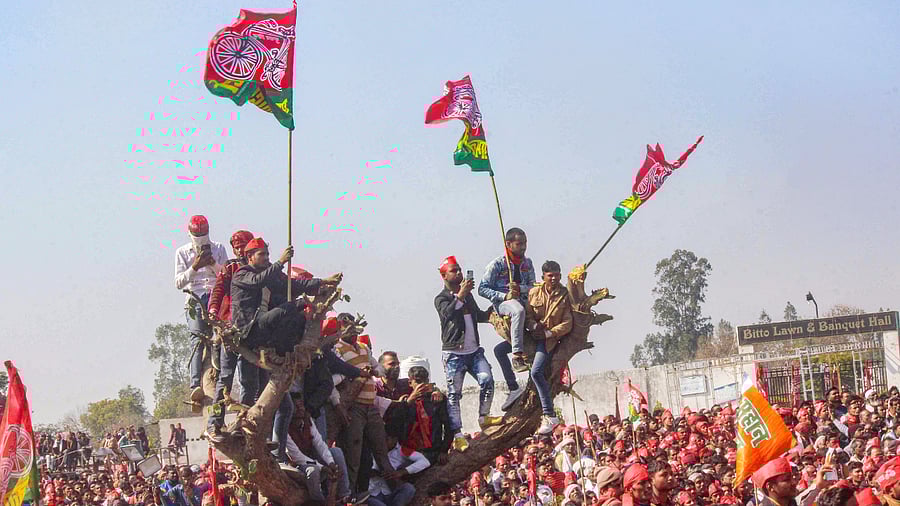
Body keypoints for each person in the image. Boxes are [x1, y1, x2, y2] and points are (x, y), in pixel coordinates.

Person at [228, 237, 341, 460]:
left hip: (264, 338)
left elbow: (294, 284)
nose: (267, 260)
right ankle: (241, 429)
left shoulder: (271, 275)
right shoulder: (243, 274)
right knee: (289, 308)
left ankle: (277, 453)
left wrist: (322, 283)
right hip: (249, 329)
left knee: (284, 406)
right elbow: (258, 280)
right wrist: (280, 261)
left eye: (268, 256)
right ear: (250, 257)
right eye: (263, 255)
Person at [434, 255, 501, 452]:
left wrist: (493, 314)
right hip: (454, 353)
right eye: (454, 270)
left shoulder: (468, 296)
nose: (459, 273)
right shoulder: (441, 298)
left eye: (460, 270)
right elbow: (448, 314)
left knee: (487, 380)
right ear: (444, 276)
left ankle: (484, 416)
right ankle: (457, 434)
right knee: (454, 395)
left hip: (473, 351)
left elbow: (477, 315)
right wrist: (460, 295)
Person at [333, 312, 396, 495]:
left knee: (380, 449)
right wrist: (357, 374)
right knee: (354, 451)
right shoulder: (338, 348)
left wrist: (374, 371)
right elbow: (340, 374)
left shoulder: (363, 347)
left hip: (371, 405)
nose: (352, 333)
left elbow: (379, 368)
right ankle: (350, 493)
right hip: (354, 406)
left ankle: (394, 488)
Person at [174, 215, 228, 403]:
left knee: (222, 339)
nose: (200, 237)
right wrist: (195, 267)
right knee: (196, 340)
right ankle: (195, 384)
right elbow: (179, 282)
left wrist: (212, 263)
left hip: (216, 296)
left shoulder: (219, 248)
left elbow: (226, 275)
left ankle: (222, 380)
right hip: (194, 297)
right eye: (197, 234)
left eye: (203, 234)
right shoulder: (182, 252)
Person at [478, 228, 536, 403]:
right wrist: (504, 296)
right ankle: (517, 355)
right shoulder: (497, 264)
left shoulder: (528, 263)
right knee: (517, 310)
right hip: (504, 304)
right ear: (508, 244)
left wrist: (521, 289)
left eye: (525, 243)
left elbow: (533, 285)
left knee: (500, 350)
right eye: (519, 244)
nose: (523, 247)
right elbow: (482, 288)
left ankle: (515, 386)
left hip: (524, 300)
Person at [206, 230, 254, 436]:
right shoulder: (230, 267)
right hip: (229, 330)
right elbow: (217, 291)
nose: (238, 249)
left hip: (251, 333)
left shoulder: (259, 269)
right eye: (235, 246)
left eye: (242, 245)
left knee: (249, 382)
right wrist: (213, 310)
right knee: (225, 377)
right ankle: (215, 422)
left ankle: (244, 424)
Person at [523, 260, 572, 433]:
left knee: (536, 371)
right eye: (550, 275)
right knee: (500, 350)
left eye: (557, 275)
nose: (554, 278)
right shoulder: (534, 293)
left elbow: (567, 323)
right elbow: (528, 316)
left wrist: (549, 333)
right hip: (531, 338)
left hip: (549, 341)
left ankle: (549, 413)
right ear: (543, 276)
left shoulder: (565, 295)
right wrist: (534, 326)